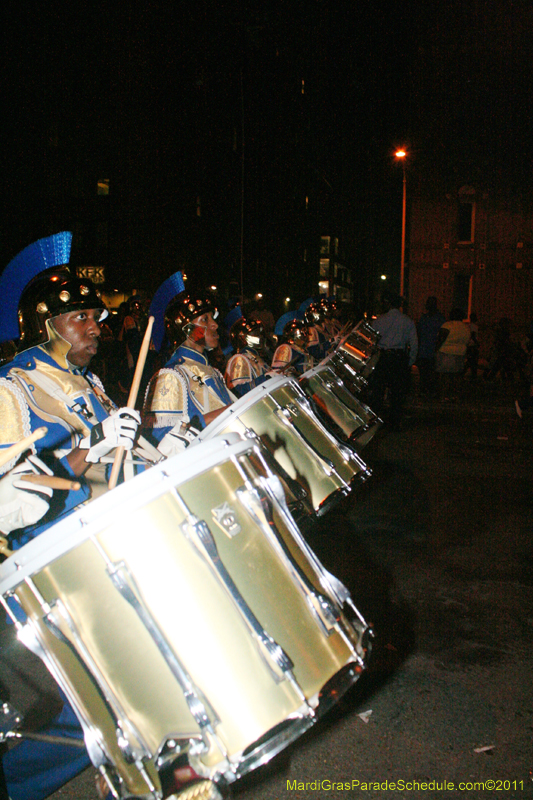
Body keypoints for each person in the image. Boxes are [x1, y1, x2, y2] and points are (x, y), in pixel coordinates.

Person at [0, 232, 142, 799]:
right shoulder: (13, 388)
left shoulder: (89, 383)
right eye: (81, 316)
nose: (96, 327)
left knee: (121, 687)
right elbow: (18, 490)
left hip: (105, 539)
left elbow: (119, 467)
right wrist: (94, 450)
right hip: (47, 558)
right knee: (99, 702)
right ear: (45, 324)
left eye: (97, 316)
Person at [143, 273, 236, 457]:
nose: (215, 325)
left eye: (212, 318)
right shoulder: (170, 375)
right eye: (205, 320)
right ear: (185, 329)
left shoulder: (214, 371)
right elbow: (163, 443)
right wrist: (229, 412)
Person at [368, 292, 418, 429]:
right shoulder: (407, 321)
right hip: (399, 357)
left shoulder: (379, 321)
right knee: (397, 392)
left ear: (388, 303)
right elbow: (414, 344)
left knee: (378, 389)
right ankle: (395, 421)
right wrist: (409, 362)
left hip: (382, 357)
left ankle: (375, 419)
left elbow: (371, 342)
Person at [224, 315, 271, 397]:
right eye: (255, 333)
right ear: (242, 337)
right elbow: (239, 392)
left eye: (260, 333)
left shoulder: (255, 356)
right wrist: (266, 378)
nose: (261, 336)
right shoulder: (240, 359)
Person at [435, 308, 471, 400]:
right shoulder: (466, 327)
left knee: (445, 376)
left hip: (446, 353)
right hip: (460, 354)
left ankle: (444, 395)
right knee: (456, 376)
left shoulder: (448, 325)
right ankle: (454, 395)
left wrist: (435, 350)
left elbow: (441, 339)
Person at [416, 296, 445, 397]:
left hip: (434, 350)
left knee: (433, 374)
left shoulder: (440, 318)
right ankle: (424, 390)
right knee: (424, 373)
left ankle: (432, 391)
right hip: (424, 350)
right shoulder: (424, 318)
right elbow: (419, 333)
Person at [463, 312, 480, 380]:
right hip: (473, 345)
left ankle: (466, 373)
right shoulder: (474, 326)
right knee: (473, 360)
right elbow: (473, 335)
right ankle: (473, 375)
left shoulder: (467, 326)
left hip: (468, 345)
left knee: (470, 360)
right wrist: (477, 343)